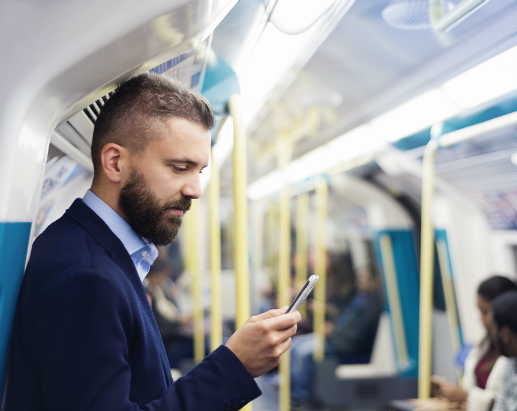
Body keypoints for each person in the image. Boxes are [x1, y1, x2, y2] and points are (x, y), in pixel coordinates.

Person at [5, 73, 301, 411]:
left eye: (199, 171)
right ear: (115, 162)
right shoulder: (86, 278)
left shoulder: (98, 252)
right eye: (179, 168)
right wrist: (235, 365)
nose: (195, 190)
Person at [290, 266, 381, 403]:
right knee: (294, 345)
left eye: (363, 278)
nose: (358, 282)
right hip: (336, 336)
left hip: (340, 343)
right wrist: (333, 328)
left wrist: (333, 332)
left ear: (375, 281)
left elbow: (353, 337)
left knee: (303, 352)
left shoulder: (369, 304)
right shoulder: (360, 298)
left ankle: (301, 396)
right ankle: (292, 387)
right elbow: (347, 322)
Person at [433, 276, 517, 411]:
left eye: (485, 312)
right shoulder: (485, 345)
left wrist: (466, 396)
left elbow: (508, 401)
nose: (481, 319)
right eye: (479, 312)